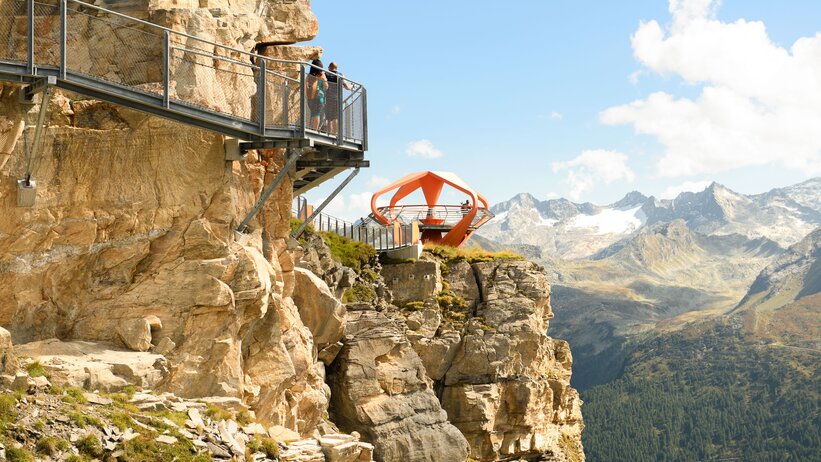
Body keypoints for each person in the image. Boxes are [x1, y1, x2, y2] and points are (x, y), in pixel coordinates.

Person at [324, 62, 352, 135]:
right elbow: (347, 87)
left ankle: (329, 134)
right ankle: (336, 134)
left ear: (329, 67)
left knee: (329, 118)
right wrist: (352, 86)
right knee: (336, 118)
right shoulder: (340, 75)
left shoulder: (326, 74)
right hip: (337, 99)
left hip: (328, 99)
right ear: (336, 68)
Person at [306, 59, 328, 130]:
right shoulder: (322, 74)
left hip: (310, 98)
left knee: (314, 114)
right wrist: (324, 80)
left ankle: (313, 129)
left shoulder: (309, 75)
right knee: (317, 114)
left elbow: (305, 84)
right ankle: (315, 131)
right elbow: (326, 87)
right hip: (319, 97)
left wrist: (306, 95)